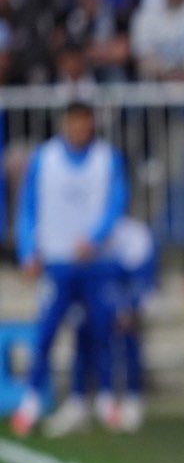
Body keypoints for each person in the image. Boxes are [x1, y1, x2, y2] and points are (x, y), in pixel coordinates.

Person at [10, 102, 128, 437]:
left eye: (84, 123)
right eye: (73, 123)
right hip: (57, 261)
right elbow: (28, 206)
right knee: (45, 334)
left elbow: (117, 200)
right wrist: (27, 250)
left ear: (91, 124)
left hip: (96, 262)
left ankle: (105, 400)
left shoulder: (108, 158)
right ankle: (31, 402)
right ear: (65, 123)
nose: (78, 129)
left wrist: (95, 237)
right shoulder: (44, 158)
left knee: (101, 332)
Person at [45, 216, 157, 436]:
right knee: (83, 338)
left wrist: (129, 305)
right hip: (90, 299)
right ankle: (80, 401)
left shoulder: (133, 233)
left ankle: (131, 399)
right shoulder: (81, 228)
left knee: (128, 338)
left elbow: (141, 273)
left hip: (120, 301)